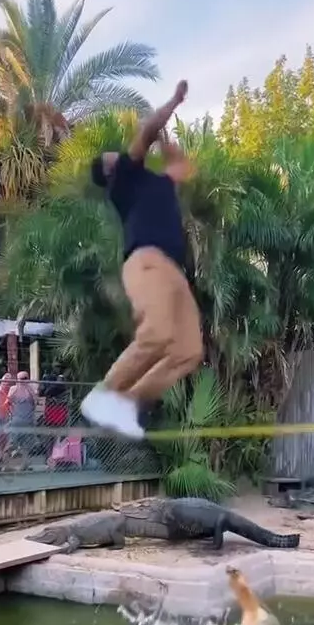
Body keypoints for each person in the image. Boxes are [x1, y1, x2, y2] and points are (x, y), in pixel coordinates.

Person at [82, 80, 203, 439]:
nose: (116, 154)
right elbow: (147, 129)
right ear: (110, 172)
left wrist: (169, 144)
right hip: (146, 262)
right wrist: (174, 103)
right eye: (111, 157)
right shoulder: (124, 180)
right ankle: (104, 395)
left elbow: (183, 168)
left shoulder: (158, 183)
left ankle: (127, 403)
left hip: (174, 272)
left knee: (189, 351)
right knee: (157, 334)